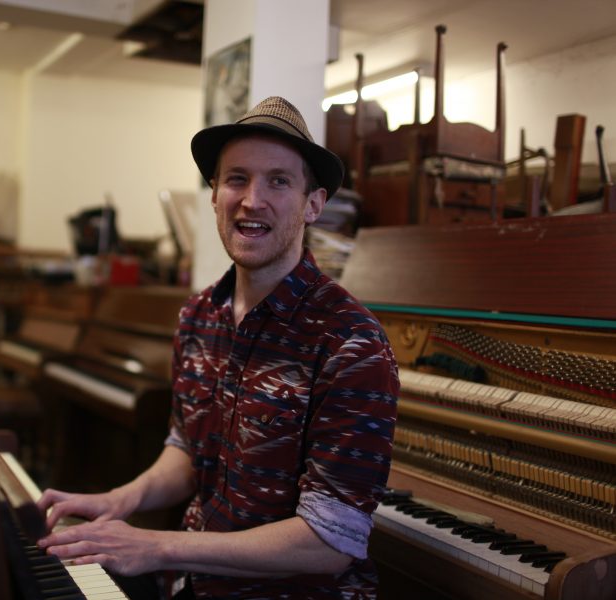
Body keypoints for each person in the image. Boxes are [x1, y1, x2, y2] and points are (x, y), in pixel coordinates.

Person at [38, 96, 399, 599]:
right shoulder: (198, 315)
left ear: (313, 204)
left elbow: (330, 540)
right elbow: (189, 447)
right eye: (237, 178)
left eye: (278, 180)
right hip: (191, 582)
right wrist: (121, 500)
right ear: (214, 194)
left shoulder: (350, 341)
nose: (252, 199)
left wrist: (157, 546)